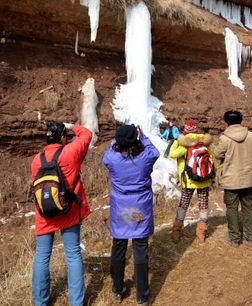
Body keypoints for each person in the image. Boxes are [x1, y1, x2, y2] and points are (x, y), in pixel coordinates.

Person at [31, 121, 92, 306]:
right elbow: (87, 134)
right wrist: (72, 125)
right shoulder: (70, 152)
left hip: (44, 213)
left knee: (42, 256)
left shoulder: (36, 160)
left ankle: (41, 302)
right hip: (68, 210)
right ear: (63, 137)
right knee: (73, 255)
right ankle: (77, 302)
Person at [102, 124, 159, 306]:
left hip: (120, 207)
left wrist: (117, 140)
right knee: (140, 248)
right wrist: (142, 136)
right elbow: (154, 151)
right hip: (140, 206)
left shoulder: (111, 158)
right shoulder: (145, 157)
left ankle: (118, 289)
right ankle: (142, 296)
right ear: (135, 139)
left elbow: (108, 152)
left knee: (119, 246)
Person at [213, 110, 252, 247]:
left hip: (230, 179)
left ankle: (235, 239)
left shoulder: (224, 138)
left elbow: (217, 154)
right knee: (248, 208)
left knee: (232, 209)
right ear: (241, 120)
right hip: (247, 177)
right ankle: (250, 238)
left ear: (226, 121)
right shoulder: (250, 135)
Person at [168, 119, 214, 243]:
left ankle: (176, 231)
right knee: (203, 205)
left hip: (188, 180)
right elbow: (212, 159)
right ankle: (201, 232)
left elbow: (172, 154)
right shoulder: (204, 143)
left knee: (183, 204)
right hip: (204, 179)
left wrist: (177, 140)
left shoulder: (185, 144)